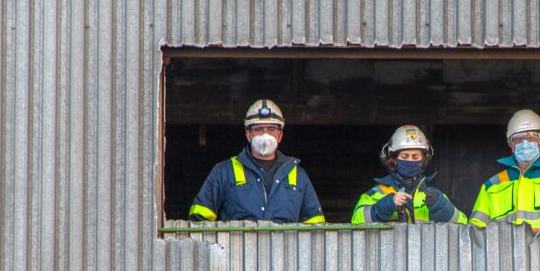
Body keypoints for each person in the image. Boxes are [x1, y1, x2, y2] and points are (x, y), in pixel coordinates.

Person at [188, 99, 325, 223]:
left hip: (285, 250)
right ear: (248, 134)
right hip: (237, 250)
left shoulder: (298, 175)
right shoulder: (224, 171)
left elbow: (316, 228)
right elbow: (198, 220)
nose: (265, 134)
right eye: (258, 129)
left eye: (271, 129)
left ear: (280, 135)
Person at [351, 125, 466, 224]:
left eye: (415, 157)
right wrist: (388, 204)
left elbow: (462, 223)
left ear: (423, 160)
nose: (410, 160)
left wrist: (441, 206)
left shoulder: (434, 196)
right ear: (394, 159)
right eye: (404, 157)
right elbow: (356, 220)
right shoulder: (377, 193)